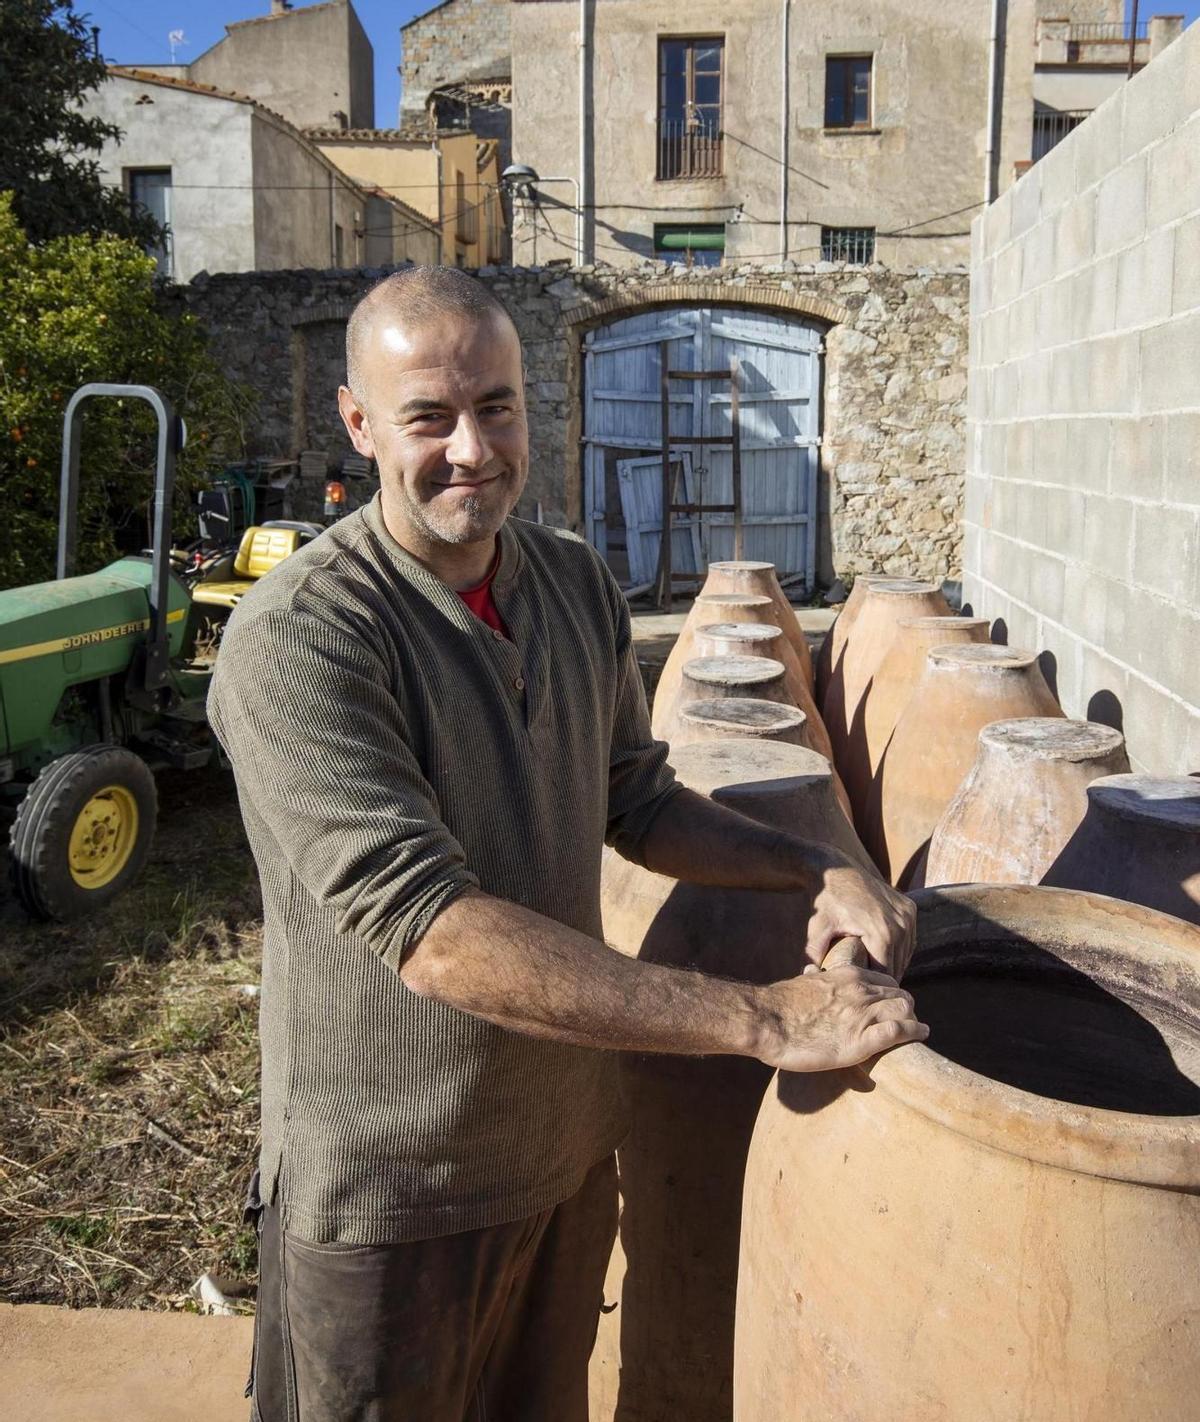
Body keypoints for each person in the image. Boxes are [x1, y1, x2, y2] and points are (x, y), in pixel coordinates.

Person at [208, 267, 926, 1422]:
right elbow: (431, 935)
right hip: (395, 1199)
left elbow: (636, 802)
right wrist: (759, 1017)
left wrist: (817, 864)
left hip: (566, 1161)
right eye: (428, 418)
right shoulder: (303, 639)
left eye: (494, 407)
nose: (471, 451)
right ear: (355, 423)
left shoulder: (576, 585)